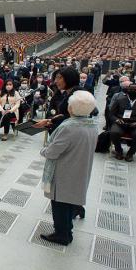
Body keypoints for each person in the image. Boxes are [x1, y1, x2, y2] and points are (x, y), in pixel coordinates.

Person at [39, 90, 97, 245]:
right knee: (70, 201)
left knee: (59, 203)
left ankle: (62, 234)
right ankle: (67, 228)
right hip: (80, 168)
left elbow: (52, 152)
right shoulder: (92, 124)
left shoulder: (69, 127)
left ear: (72, 108)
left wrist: (43, 150)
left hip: (65, 170)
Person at [109, 83, 136, 162]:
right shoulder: (119, 100)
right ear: (127, 90)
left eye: (135, 90)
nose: (132, 91)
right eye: (130, 89)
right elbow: (111, 114)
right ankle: (119, 151)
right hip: (121, 123)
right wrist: (116, 120)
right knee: (114, 132)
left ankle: (130, 153)